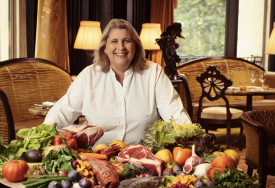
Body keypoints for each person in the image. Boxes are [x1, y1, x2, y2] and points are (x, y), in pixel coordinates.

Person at [43, 19, 191, 147]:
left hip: (144, 157)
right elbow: (62, 112)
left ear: (135, 46)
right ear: (105, 48)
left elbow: (175, 114)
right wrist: (42, 135)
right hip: (98, 157)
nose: (121, 47)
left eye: (127, 41)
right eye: (114, 41)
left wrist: (190, 138)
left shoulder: (154, 72)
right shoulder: (89, 75)